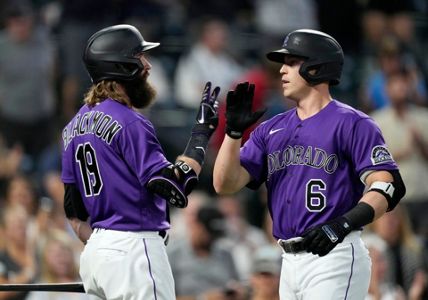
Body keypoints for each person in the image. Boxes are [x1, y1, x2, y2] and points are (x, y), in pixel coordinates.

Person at [213, 29, 406, 299]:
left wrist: (342, 225)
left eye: (291, 62)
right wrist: (232, 135)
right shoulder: (271, 129)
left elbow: (387, 187)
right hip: (288, 262)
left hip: (334, 254)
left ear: (316, 67)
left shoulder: (352, 123)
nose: (281, 70)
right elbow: (225, 184)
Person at [60, 24, 220, 300]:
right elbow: (174, 187)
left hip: (96, 254)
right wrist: (201, 135)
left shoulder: (72, 127)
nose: (146, 66)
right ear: (121, 67)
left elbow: (74, 212)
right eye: (139, 57)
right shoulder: (130, 121)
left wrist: (106, 251)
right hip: (134, 247)